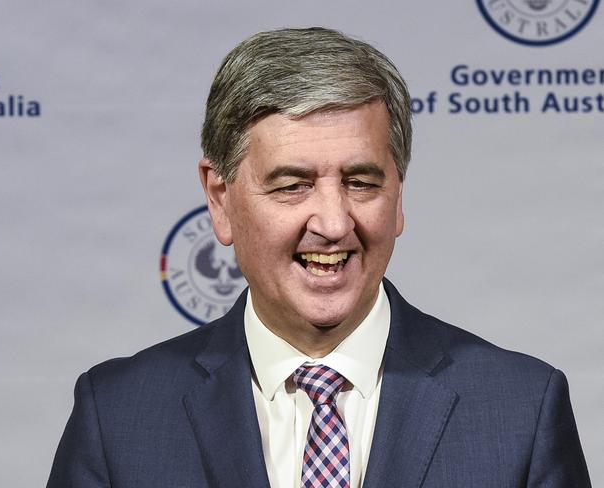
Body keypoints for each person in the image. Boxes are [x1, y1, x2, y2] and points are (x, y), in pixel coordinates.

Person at [47, 27, 591, 487]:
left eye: (360, 182)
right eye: (292, 185)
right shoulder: (118, 417)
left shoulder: (521, 410)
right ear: (221, 199)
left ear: (398, 195)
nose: (333, 224)